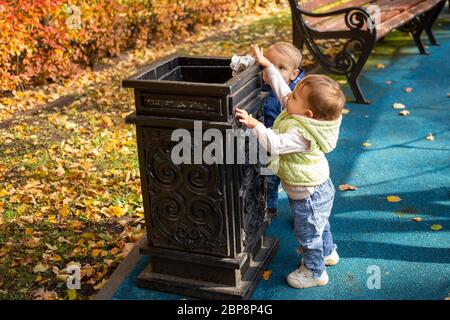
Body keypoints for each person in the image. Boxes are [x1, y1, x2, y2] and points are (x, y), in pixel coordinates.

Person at [235, 44, 345, 289]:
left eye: (295, 97)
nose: (288, 97)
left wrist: (255, 125)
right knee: (321, 224)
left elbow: (274, 144)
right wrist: (269, 67)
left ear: (307, 112)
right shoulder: (304, 114)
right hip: (317, 189)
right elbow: (284, 91)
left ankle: (315, 272)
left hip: (308, 195)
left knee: (308, 234)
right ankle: (328, 253)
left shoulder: (302, 134)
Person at [260, 42, 305, 218]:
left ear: (293, 74)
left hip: (291, 145)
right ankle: (270, 206)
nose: (273, 72)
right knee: (269, 178)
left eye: (281, 68)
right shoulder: (260, 85)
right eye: (268, 65)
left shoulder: (297, 93)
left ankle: (303, 213)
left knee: (294, 181)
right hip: (269, 143)